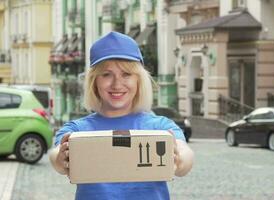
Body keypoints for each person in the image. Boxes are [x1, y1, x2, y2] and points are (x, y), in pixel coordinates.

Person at [49, 31, 194, 200]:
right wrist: (61, 160)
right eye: (106, 74)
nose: (117, 84)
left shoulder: (161, 127)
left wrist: (180, 160)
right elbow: (56, 156)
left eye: (126, 74)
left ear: (138, 80)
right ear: (94, 81)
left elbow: (186, 155)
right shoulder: (76, 130)